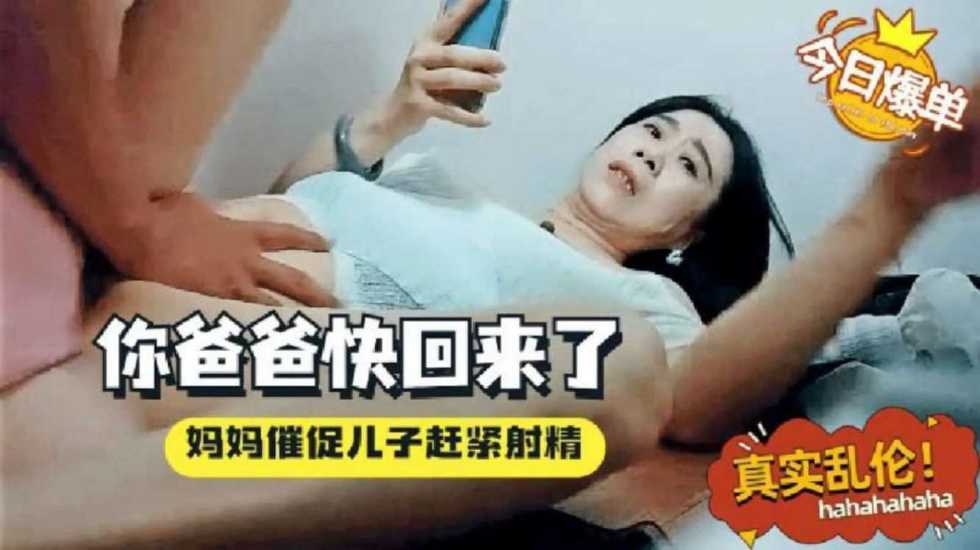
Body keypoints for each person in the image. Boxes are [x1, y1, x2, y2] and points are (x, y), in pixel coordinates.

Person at [4, 0, 978, 546]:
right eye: (651, 127)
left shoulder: (643, 299)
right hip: (84, 298)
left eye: (688, 163)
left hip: (184, 387)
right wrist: (390, 115)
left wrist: (887, 208)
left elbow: (688, 405)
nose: (653, 147)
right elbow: (295, 198)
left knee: (610, 362)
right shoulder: (436, 183)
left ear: (688, 233)